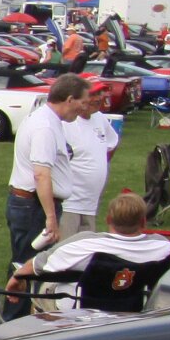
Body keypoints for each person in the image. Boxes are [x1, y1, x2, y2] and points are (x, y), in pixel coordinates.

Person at [5, 189, 170, 319]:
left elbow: (37, 265)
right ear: (143, 221)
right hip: (134, 312)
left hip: (83, 314)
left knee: (45, 288)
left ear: (108, 220)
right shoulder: (164, 249)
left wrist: (17, 277)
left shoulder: (85, 245)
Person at [6, 74, 90, 263]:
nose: (84, 108)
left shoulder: (46, 120)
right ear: (70, 99)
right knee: (29, 264)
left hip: (32, 204)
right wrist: (50, 218)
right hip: (34, 206)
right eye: (83, 102)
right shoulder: (45, 127)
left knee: (26, 261)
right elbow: (41, 174)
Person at [53, 78, 120, 239]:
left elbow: (112, 144)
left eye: (100, 93)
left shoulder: (99, 119)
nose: (98, 98)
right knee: (65, 249)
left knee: (86, 250)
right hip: (68, 205)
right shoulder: (65, 123)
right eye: (93, 94)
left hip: (90, 204)